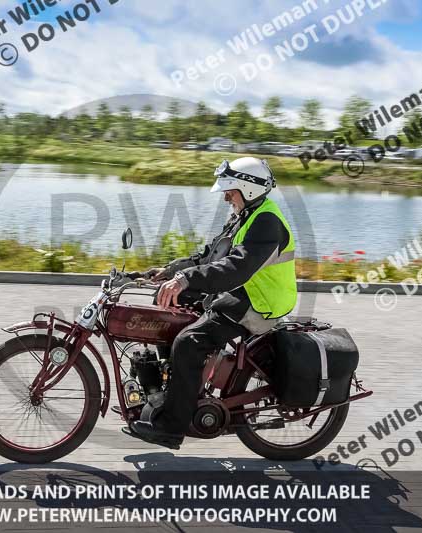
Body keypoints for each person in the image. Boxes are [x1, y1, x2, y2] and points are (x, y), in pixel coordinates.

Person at [126, 157, 298, 449]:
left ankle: (171, 427)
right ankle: (173, 382)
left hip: (260, 302)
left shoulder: (267, 222)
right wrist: (171, 272)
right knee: (167, 304)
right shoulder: (247, 214)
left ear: (249, 189)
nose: (225, 197)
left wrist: (185, 280)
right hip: (244, 291)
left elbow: (235, 268)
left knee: (188, 342)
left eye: (229, 191)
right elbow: (211, 255)